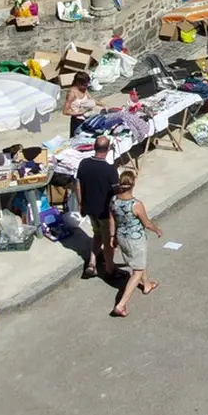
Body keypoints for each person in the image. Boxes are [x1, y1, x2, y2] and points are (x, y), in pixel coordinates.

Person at [107, 170, 163, 318]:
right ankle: (121, 305)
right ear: (133, 185)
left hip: (121, 237)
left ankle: (147, 285)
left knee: (139, 263)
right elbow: (147, 223)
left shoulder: (113, 200)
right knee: (136, 271)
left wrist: (112, 236)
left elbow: (112, 220)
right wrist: (157, 230)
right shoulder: (136, 204)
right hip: (135, 240)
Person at [75, 136, 119, 279]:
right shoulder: (110, 170)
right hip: (105, 212)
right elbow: (116, 193)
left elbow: (78, 185)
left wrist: (81, 204)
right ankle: (110, 269)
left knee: (97, 235)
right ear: (107, 149)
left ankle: (92, 263)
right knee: (108, 241)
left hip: (90, 209)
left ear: (94, 147)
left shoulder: (84, 164)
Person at [63, 71, 97, 137]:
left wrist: (104, 105)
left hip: (86, 119)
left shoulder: (83, 89)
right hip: (77, 121)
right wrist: (80, 113)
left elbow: (92, 100)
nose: (86, 86)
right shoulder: (71, 94)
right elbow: (65, 111)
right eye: (85, 84)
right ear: (78, 83)